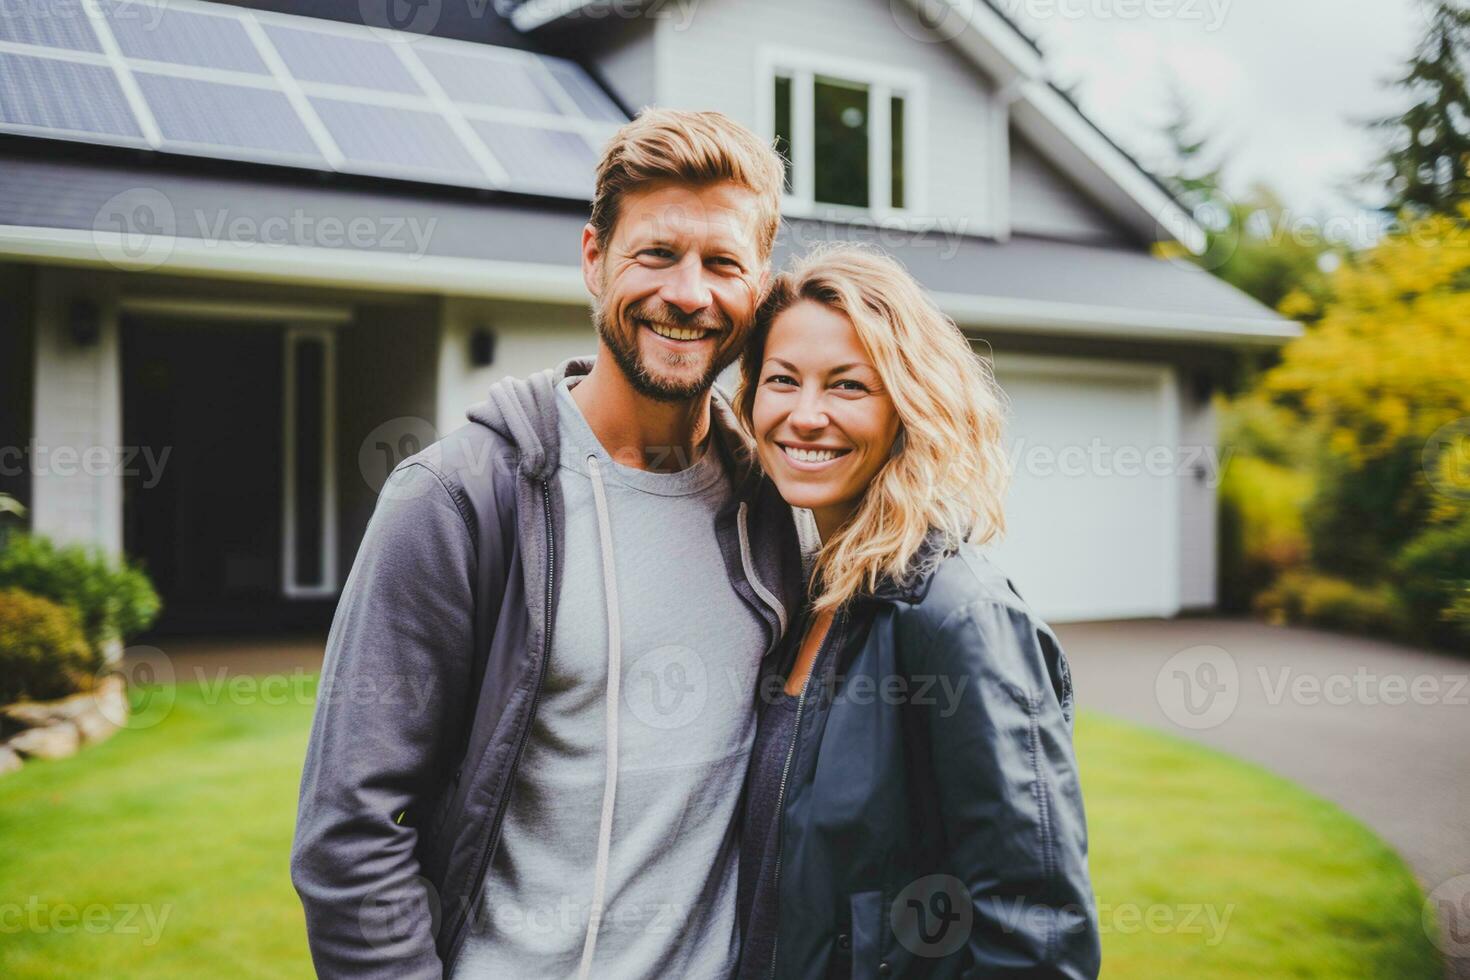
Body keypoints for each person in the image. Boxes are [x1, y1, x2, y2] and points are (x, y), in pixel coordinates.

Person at [290, 108, 806, 979]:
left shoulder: (777, 506)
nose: (689, 293)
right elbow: (350, 834)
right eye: (656, 254)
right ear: (594, 260)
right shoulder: (456, 500)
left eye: (723, 262)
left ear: (759, 286)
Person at [732, 244, 1102, 979]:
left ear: (907, 404)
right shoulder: (804, 598)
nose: (807, 416)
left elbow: (1037, 935)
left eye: (847, 386)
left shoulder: (958, 618)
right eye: (783, 380)